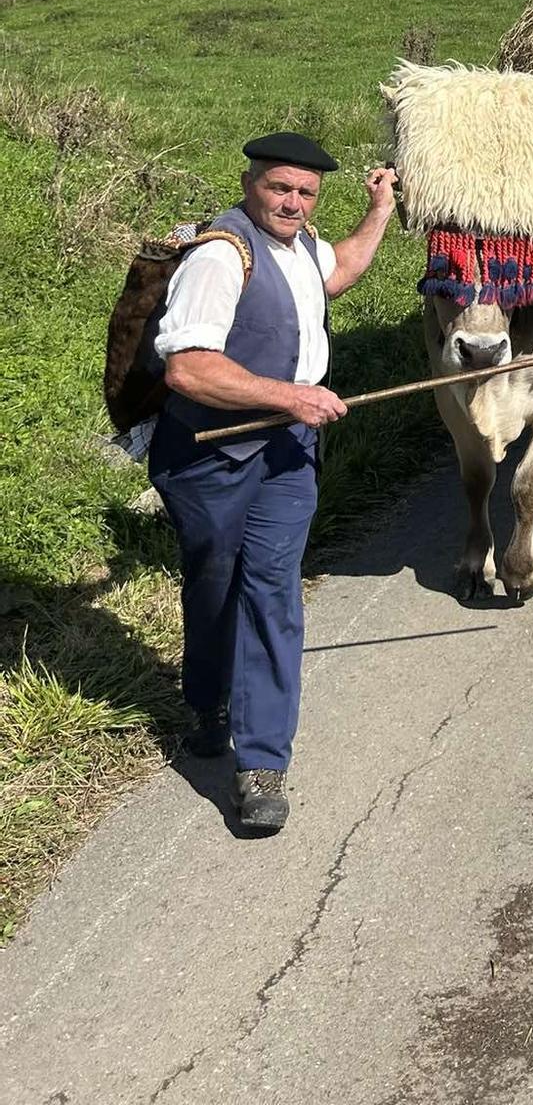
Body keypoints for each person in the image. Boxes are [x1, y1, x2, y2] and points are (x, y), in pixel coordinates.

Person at [150, 134, 398, 834]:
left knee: (272, 590)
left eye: (305, 193)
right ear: (250, 183)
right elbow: (189, 369)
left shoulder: (298, 246)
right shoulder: (221, 256)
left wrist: (379, 209)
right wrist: (290, 397)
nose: (291, 202)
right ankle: (208, 703)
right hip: (210, 457)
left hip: (286, 456)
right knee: (212, 581)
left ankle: (261, 765)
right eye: (279, 188)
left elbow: (338, 272)